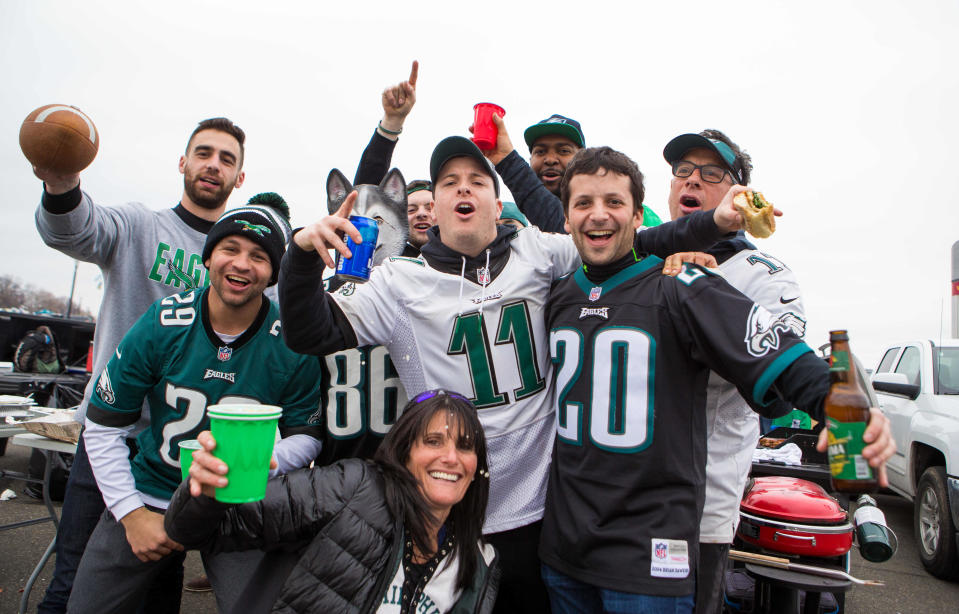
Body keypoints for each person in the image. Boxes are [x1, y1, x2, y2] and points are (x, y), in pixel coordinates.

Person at [278, 135, 744, 612]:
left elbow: (622, 240)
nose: (464, 190)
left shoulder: (536, 250)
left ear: (496, 205)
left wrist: (703, 233)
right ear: (432, 208)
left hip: (537, 511)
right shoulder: (399, 281)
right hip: (445, 507)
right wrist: (302, 257)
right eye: (450, 182)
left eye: (477, 181)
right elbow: (310, 333)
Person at [539, 146, 894, 613]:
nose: (598, 214)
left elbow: (777, 351)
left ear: (635, 215)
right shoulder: (558, 293)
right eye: (583, 203)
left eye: (614, 202)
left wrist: (835, 404)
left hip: (648, 551)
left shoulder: (682, 282)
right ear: (565, 218)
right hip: (564, 547)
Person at [33, 116, 247, 613]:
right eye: (204, 153)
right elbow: (76, 229)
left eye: (227, 159)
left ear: (240, 179)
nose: (213, 165)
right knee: (74, 586)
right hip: (114, 436)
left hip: (185, 449)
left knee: (154, 591)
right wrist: (62, 181)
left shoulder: (243, 260)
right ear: (183, 162)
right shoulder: (138, 226)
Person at [68, 202, 324, 614]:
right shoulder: (162, 322)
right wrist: (130, 514)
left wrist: (266, 460)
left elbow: (307, 436)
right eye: (230, 249)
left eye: (259, 256)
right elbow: (102, 424)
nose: (242, 264)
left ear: (274, 273)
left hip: (238, 502)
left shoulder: (291, 342)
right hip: (153, 490)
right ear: (207, 257)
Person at [165, 389, 499, 614]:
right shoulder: (353, 487)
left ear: (476, 467)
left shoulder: (479, 561)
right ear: (404, 452)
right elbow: (195, 530)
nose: (450, 458)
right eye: (433, 441)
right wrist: (207, 494)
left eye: (465, 446)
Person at [662, 129, 807, 613]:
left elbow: (778, 391)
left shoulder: (763, 272)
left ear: (739, 193)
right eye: (683, 171)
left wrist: (702, 300)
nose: (692, 181)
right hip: (620, 502)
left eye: (710, 174)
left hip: (701, 511)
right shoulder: (638, 260)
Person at [405, 179, 435, 253]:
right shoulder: (386, 262)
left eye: (430, 208)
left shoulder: (464, 259)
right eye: (411, 210)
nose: (421, 214)